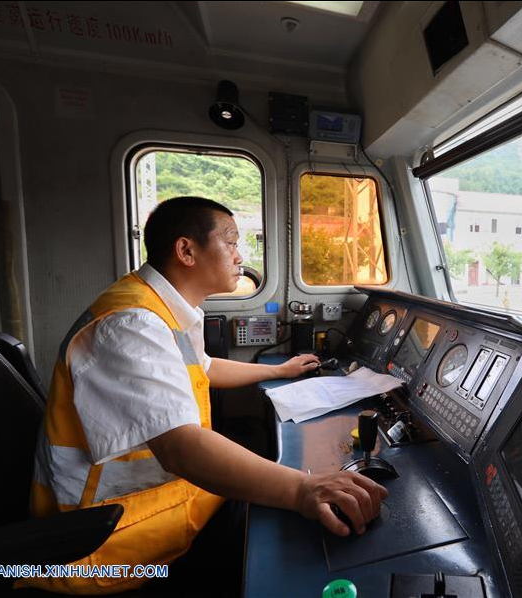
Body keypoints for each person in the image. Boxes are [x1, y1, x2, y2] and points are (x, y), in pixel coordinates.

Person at [20, 196, 387, 594]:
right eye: (229, 242)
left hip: (158, 504)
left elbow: (204, 367)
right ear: (186, 250)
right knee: (291, 532)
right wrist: (302, 489)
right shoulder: (133, 324)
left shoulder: (160, 307)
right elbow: (180, 449)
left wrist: (279, 370)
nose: (239, 255)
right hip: (106, 542)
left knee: (268, 491)